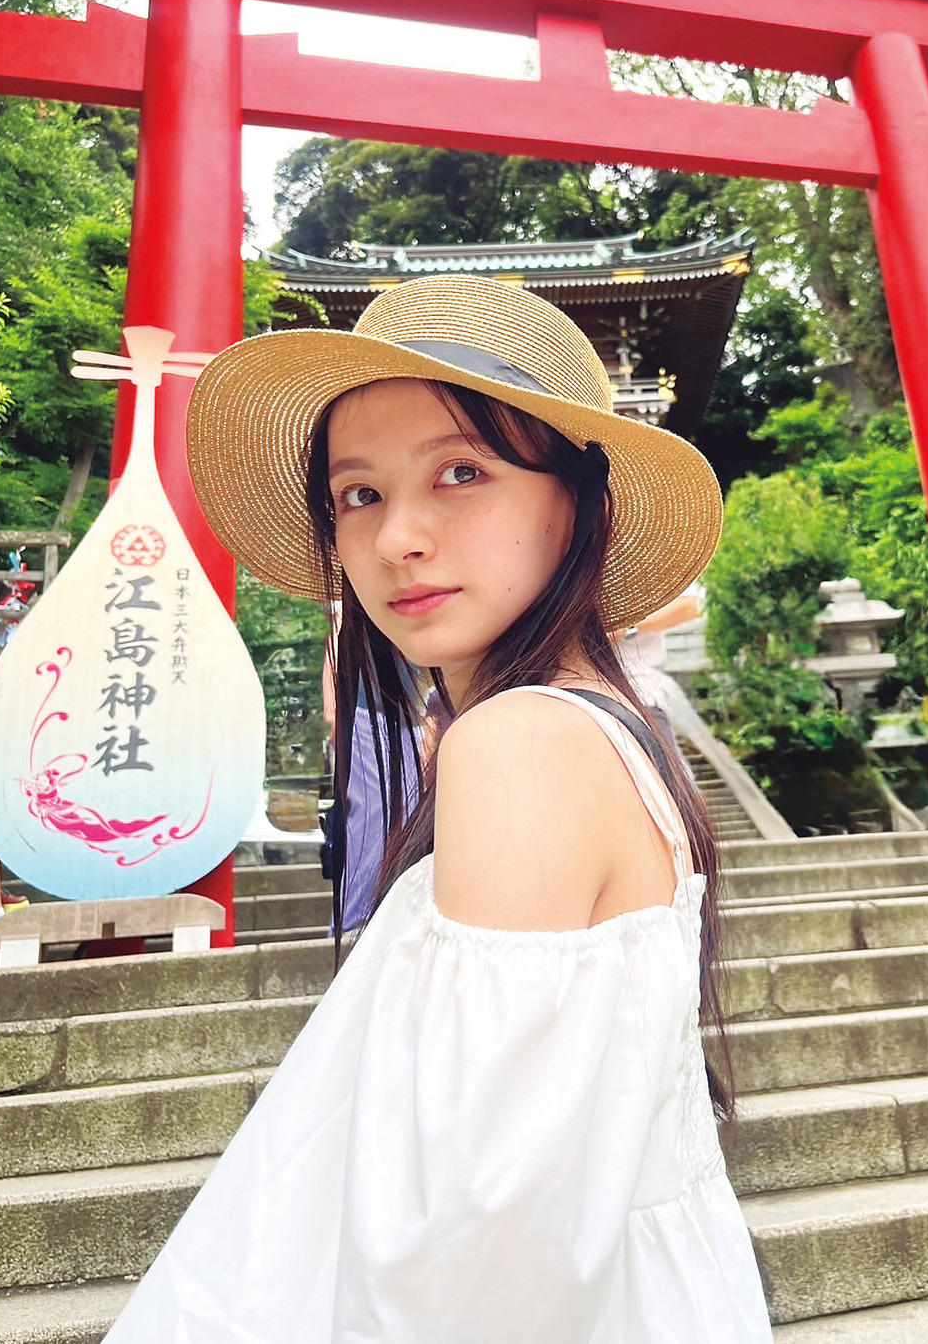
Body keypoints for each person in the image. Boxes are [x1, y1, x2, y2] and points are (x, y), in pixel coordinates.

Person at [103, 275, 773, 1342]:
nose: (398, 537)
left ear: (580, 500)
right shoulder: (593, 732)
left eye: (462, 472)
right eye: (358, 494)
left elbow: (468, 1238)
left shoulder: (520, 742)